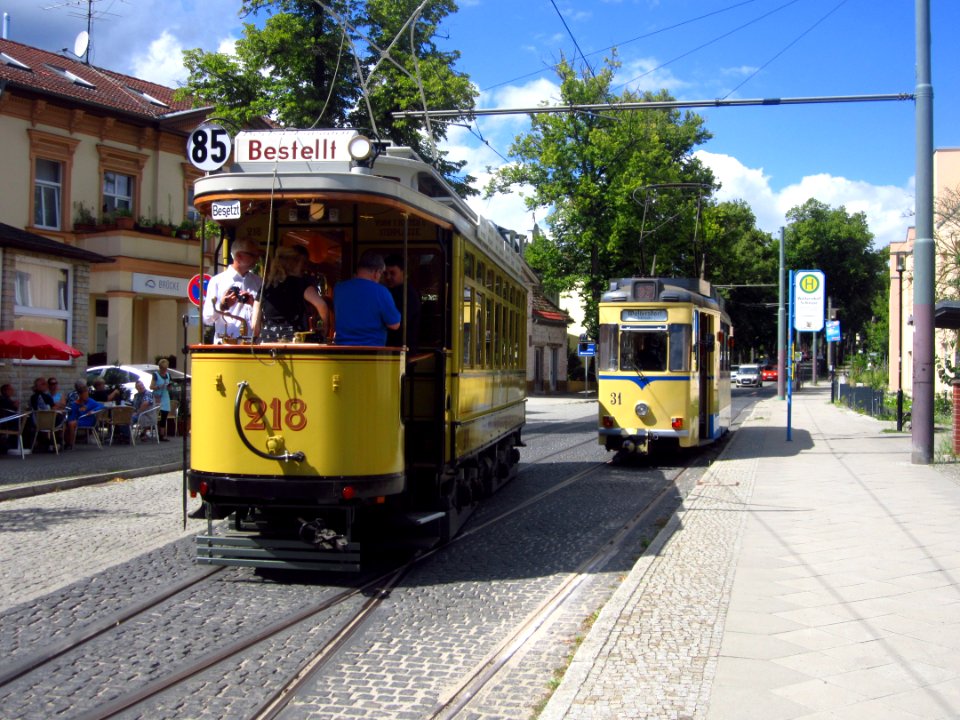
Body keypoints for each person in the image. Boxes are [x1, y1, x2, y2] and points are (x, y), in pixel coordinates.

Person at [258, 245, 331, 342]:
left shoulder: (265, 287)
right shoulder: (301, 284)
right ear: (293, 264)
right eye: (303, 264)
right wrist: (324, 330)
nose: (305, 268)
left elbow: (255, 324)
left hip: (267, 341)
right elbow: (321, 305)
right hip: (294, 340)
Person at [333, 251, 401, 346]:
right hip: (371, 352)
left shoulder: (339, 289)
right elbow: (395, 324)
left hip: (342, 351)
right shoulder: (381, 292)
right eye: (381, 274)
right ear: (377, 273)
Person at [202, 237, 263, 343]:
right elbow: (207, 319)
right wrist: (222, 306)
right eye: (253, 255)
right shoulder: (218, 281)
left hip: (253, 345)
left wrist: (254, 304)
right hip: (227, 346)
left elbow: (267, 316)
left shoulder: (259, 282)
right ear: (239, 256)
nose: (257, 259)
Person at [383, 254, 421, 352]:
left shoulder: (408, 295)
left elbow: (398, 322)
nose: (388, 277)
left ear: (404, 273)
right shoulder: (388, 292)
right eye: (385, 274)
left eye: (392, 273)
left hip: (403, 348)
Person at [150, 358, 173, 441]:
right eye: (163, 369)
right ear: (160, 368)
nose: (165, 370)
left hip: (165, 397)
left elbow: (170, 387)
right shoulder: (155, 375)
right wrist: (159, 386)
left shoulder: (168, 375)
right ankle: (152, 432)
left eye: (166, 368)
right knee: (155, 416)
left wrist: (169, 387)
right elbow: (151, 387)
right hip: (158, 397)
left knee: (164, 416)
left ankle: (162, 435)